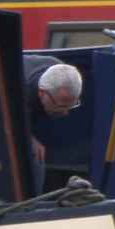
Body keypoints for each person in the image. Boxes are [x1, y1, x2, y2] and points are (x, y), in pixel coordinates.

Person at [21, 55, 84, 184]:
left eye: (71, 106)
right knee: (35, 157)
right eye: (61, 106)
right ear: (42, 93)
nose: (66, 113)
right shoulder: (18, 86)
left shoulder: (62, 74)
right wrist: (28, 137)